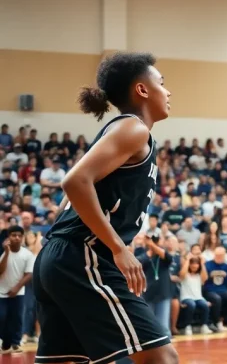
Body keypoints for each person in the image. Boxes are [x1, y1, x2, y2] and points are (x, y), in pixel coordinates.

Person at [32, 52, 178, 364]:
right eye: (162, 84)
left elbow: (67, 204)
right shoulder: (134, 129)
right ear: (142, 90)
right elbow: (73, 183)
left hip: (58, 256)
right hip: (82, 255)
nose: (168, 92)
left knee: (69, 360)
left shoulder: (119, 132)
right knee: (161, 358)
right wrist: (117, 247)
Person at [0, 226, 35, 354]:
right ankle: (5, 342)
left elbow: (29, 274)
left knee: (16, 318)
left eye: (19, 235)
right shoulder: (2, 252)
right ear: (8, 237)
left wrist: (17, 288)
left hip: (18, 293)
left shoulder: (27, 254)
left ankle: (15, 343)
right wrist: (7, 253)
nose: (17, 238)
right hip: (1, 292)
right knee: (2, 317)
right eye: (13, 235)